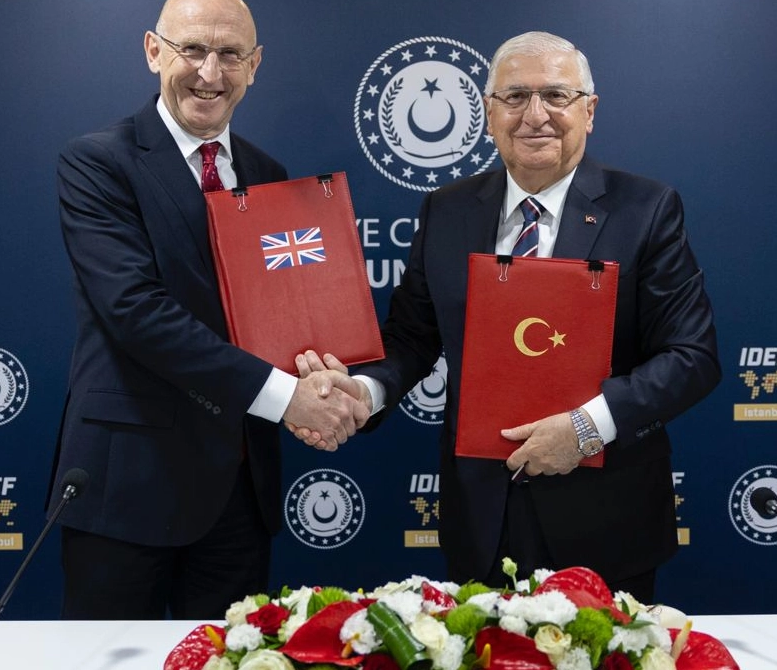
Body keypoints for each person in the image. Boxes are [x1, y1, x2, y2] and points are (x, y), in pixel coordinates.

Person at [298, 31, 719, 600]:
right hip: (481, 518)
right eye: (515, 97)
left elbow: (692, 357)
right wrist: (365, 392)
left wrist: (584, 430)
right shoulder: (446, 210)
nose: (535, 115)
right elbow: (411, 339)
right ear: (489, 114)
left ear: (590, 111)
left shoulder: (646, 209)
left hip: (606, 521)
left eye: (556, 96)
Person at [49, 0, 367, 621]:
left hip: (238, 488)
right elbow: (136, 312)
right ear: (153, 51)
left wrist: (321, 378)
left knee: (230, 657)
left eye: (229, 55)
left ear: (255, 64)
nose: (209, 73)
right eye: (191, 49)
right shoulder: (98, 162)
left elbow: (281, 316)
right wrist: (288, 398)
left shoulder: (267, 173)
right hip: (126, 486)